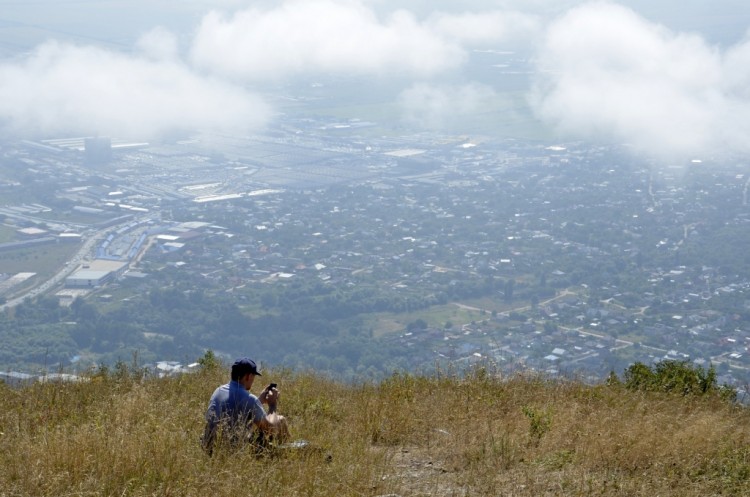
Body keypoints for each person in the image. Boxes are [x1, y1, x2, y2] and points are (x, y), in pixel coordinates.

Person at [201, 357, 289, 456]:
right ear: (248, 376)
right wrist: (272, 405)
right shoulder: (249, 399)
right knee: (281, 420)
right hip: (232, 451)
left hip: (209, 448)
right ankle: (283, 455)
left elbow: (237, 414)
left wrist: (259, 401)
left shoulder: (218, 391)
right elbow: (269, 428)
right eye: (253, 376)